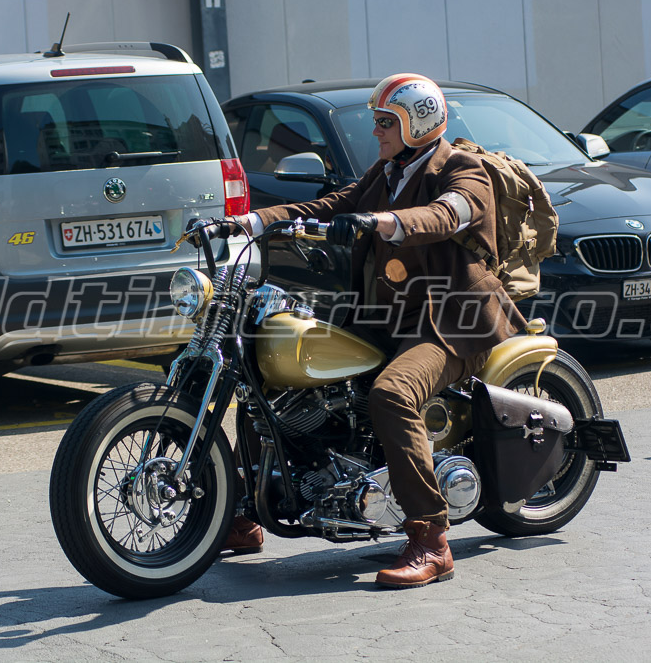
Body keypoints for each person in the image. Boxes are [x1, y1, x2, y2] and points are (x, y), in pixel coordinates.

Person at [224, 73, 527, 588]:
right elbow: (331, 204)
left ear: (418, 123)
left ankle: (430, 538)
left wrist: (385, 222)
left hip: (450, 322)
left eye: (386, 122)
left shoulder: (463, 168)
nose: (377, 131)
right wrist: (252, 222)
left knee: (392, 394)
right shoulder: (387, 173)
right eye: (378, 121)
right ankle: (243, 512)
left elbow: (446, 214)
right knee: (266, 383)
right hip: (385, 319)